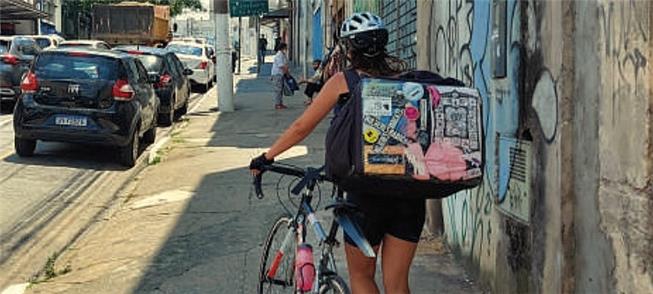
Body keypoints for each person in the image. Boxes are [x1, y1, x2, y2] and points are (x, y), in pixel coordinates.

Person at [250, 12, 421, 294]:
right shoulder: (408, 80)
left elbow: (301, 126)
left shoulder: (345, 81)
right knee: (398, 283)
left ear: (349, 50)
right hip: (409, 193)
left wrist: (267, 157)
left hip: (366, 195)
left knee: (363, 277)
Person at [270, 43, 289, 109]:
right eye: (286, 48)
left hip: (281, 74)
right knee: (278, 90)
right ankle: (277, 104)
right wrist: (287, 72)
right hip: (277, 74)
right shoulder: (279, 55)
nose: (286, 49)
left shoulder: (283, 55)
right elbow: (281, 65)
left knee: (280, 89)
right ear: (283, 48)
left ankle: (280, 103)